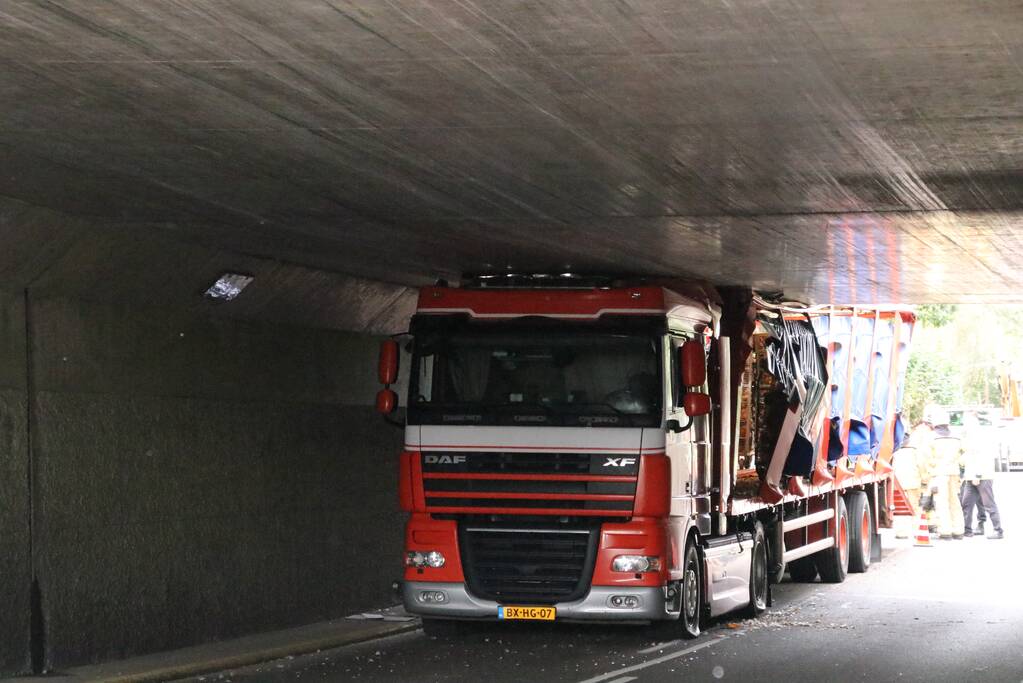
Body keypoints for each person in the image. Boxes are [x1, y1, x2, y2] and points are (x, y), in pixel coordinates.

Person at [960, 412, 1004, 539]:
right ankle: (967, 530)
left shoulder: (980, 437)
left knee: (988, 504)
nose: (964, 425)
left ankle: (998, 530)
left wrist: (977, 475)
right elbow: (967, 457)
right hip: (970, 477)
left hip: (982, 476)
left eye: (966, 422)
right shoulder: (968, 438)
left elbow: (984, 458)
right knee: (966, 504)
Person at [925, 408, 965, 539]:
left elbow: (925, 458)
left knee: (942, 503)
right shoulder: (957, 436)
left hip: (939, 474)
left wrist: (928, 475)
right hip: (954, 473)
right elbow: (963, 454)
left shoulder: (931, 437)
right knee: (955, 502)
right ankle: (958, 531)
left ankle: (945, 531)